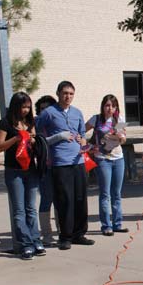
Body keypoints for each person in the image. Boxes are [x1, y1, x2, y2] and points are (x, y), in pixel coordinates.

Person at [36, 81, 94, 250]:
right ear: (58, 94)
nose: (68, 96)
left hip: (78, 161)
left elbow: (83, 135)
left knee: (80, 199)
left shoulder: (77, 112)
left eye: (71, 94)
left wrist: (82, 140)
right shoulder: (49, 113)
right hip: (60, 163)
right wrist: (58, 137)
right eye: (65, 93)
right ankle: (65, 236)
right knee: (64, 200)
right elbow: (38, 137)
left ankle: (79, 234)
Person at [0, 92, 43, 260]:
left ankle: (36, 241)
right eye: (23, 107)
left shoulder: (30, 122)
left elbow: (35, 140)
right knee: (19, 210)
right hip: (14, 171)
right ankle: (25, 245)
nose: (26, 110)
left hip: (31, 169)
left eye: (28, 107)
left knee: (31, 208)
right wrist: (15, 139)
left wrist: (33, 140)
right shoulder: (5, 123)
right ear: (16, 106)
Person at [86, 94, 128, 236]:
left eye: (113, 106)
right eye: (107, 105)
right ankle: (106, 226)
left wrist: (118, 137)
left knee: (116, 193)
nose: (110, 109)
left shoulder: (119, 119)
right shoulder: (96, 119)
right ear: (103, 106)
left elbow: (123, 139)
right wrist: (89, 147)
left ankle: (117, 224)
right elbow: (81, 131)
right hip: (103, 159)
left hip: (118, 158)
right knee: (105, 194)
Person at [34, 95, 59, 246]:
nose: (45, 111)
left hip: (60, 165)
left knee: (60, 200)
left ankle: (62, 231)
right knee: (46, 199)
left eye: (48, 108)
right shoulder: (36, 123)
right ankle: (47, 235)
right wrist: (59, 137)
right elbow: (40, 141)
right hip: (45, 167)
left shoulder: (57, 121)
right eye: (42, 109)